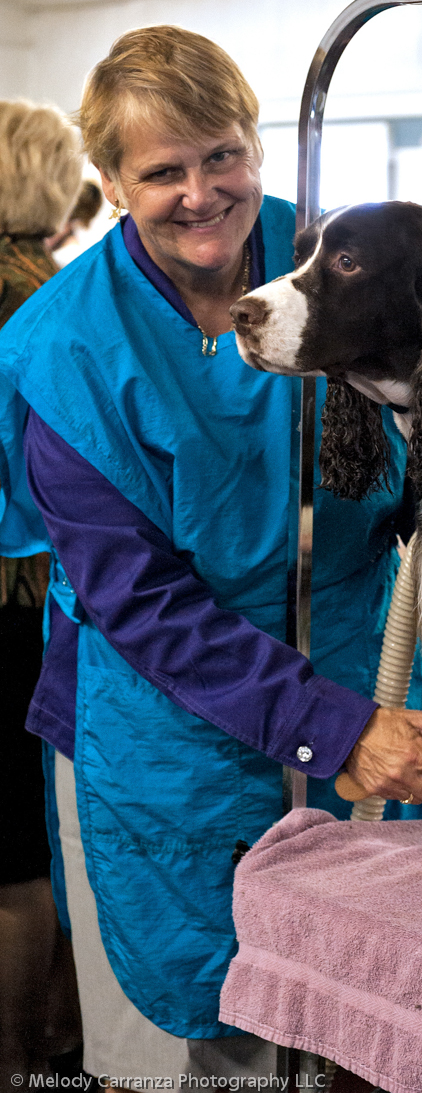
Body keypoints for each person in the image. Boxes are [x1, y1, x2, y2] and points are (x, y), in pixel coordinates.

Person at [0, 26, 422, 1081]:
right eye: (159, 171)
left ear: (256, 142)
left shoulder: (351, 262)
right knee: (207, 1035)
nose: (199, 192)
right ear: (109, 181)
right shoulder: (67, 346)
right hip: (161, 731)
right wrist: (326, 725)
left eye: (221, 155)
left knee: (376, 1014)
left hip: (370, 674)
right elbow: (138, 599)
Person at [0, 99, 84, 1084]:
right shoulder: (59, 300)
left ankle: (20, 1055)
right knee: (36, 844)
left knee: (15, 854)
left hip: (18, 594)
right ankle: (51, 1041)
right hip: (45, 598)